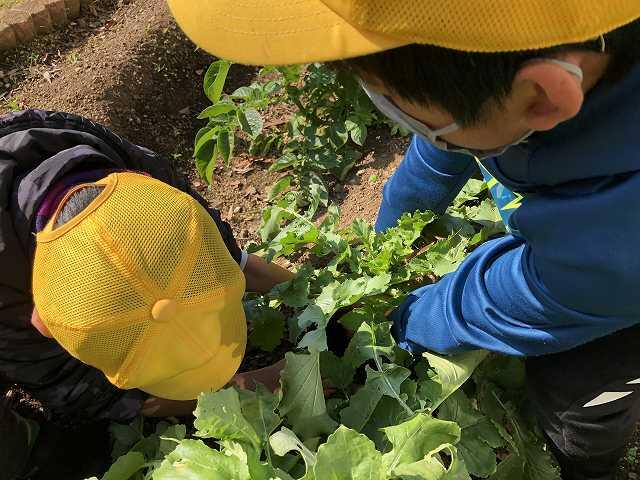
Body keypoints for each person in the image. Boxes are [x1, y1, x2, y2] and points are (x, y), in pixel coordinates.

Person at [168, 2, 640, 479]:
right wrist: (391, 233)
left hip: (621, 309)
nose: (391, 110)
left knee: (578, 397)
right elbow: (452, 136)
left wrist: (400, 324)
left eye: (394, 99)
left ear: (542, 96)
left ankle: (591, 467)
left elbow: (514, 296)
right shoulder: (522, 73)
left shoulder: (621, 234)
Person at [0, 109, 291, 477]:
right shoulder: (13, 322)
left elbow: (226, 257)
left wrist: (311, 294)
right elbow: (101, 393)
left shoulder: (142, 178)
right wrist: (252, 386)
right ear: (44, 323)